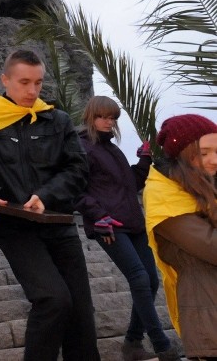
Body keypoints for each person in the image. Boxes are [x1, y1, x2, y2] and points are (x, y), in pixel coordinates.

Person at [0, 49, 99, 361]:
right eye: (24, 82)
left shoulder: (58, 120)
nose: (32, 91)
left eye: (38, 83)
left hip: (58, 222)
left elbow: (78, 169)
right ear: (5, 80)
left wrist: (47, 195)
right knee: (53, 300)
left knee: (81, 312)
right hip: (14, 227)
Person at [76, 96, 180, 361]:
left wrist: (144, 161)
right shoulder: (81, 148)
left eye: (112, 118)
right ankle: (160, 344)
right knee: (139, 277)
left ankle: (133, 342)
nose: (109, 122)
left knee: (151, 279)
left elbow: (130, 187)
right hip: (109, 225)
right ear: (91, 116)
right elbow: (75, 189)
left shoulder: (112, 149)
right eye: (103, 117)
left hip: (132, 222)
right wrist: (98, 216)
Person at [144, 114, 217, 360]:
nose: (214, 160)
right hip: (209, 318)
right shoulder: (165, 197)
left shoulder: (205, 187)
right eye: (204, 152)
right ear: (184, 153)